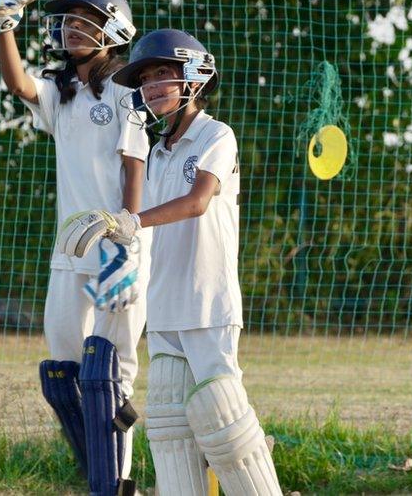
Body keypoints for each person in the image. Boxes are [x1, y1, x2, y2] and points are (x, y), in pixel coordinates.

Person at [59, 29, 281, 495]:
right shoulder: (157, 152)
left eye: (165, 74)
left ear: (194, 79)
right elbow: (141, 217)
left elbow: (198, 201)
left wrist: (132, 221)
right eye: (146, 78)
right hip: (163, 311)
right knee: (169, 431)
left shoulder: (216, 134)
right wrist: (121, 231)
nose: (154, 86)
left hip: (208, 306)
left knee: (224, 425)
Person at [0, 0, 149, 495]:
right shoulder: (63, 91)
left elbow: (133, 164)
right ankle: (96, 468)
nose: (73, 29)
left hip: (118, 249)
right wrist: (3, 24)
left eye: (86, 21)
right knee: (62, 369)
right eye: (69, 21)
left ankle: (115, 483)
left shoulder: (130, 90)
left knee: (107, 371)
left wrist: (128, 231)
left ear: (114, 28)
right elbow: (18, 85)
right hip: (70, 247)